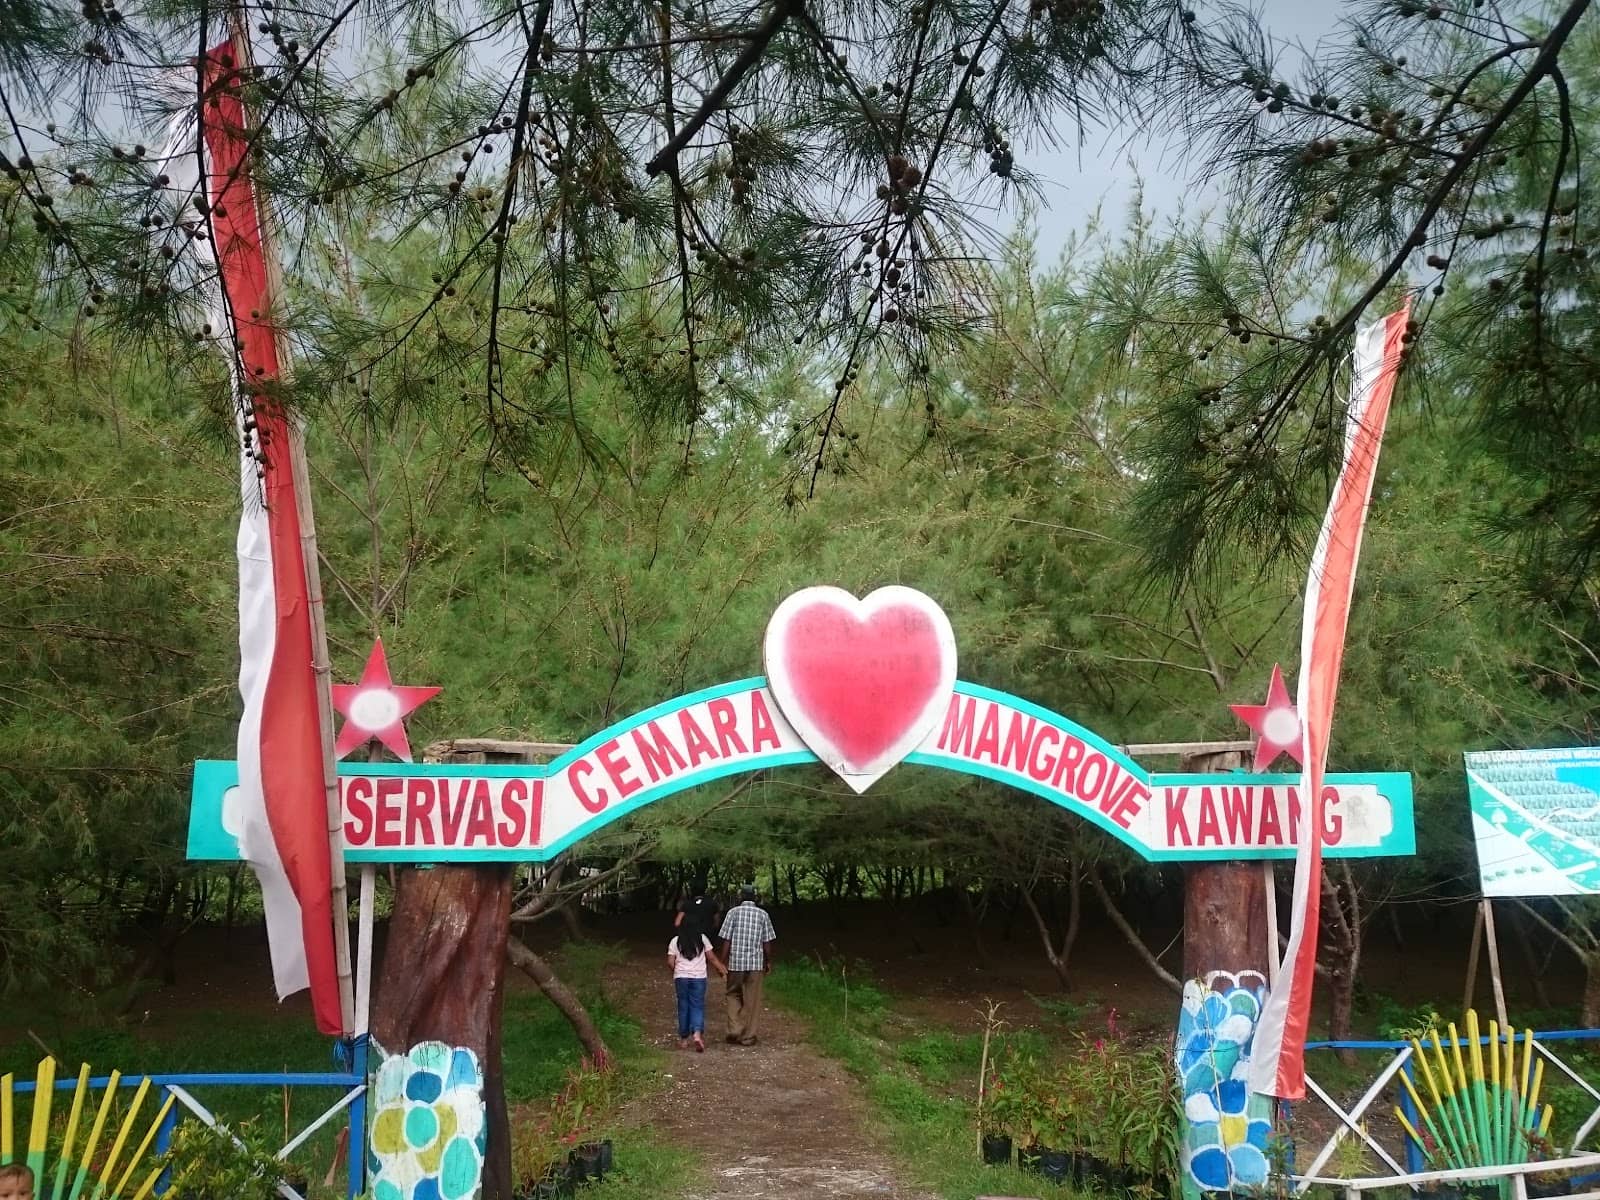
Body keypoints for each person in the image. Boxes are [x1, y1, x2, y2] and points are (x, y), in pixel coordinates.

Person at [718, 884, 776, 1046]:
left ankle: (734, 1029)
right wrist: (768, 961)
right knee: (753, 999)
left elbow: (726, 940)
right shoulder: (763, 915)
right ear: (755, 897)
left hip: (736, 963)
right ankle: (748, 1036)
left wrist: (722, 962)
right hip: (755, 964)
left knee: (732, 993)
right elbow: (767, 943)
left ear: (740, 897)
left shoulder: (733, 913)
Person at [667, 923, 726, 1051]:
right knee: (697, 1006)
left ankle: (683, 1040)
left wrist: (677, 971)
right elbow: (711, 957)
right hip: (699, 978)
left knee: (683, 1006)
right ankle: (697, 1034)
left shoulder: (675, 941)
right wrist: (721, 969)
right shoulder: (702, 939)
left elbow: (670, 962)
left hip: (681, 978)